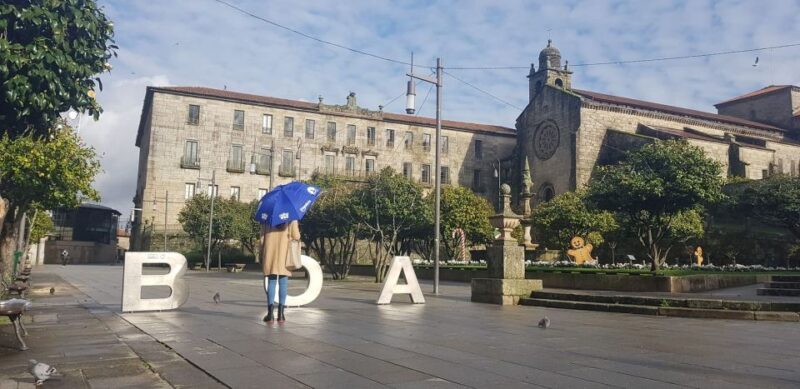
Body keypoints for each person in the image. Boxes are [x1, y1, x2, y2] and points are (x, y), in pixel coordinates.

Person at [257, 220, 300, 323]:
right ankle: (281, 315)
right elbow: (296, 236)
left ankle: (270, 315)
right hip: (284, 253)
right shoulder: (291, 218)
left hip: (270, 252)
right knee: (283, 283)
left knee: (271, 282)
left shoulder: (267, 218)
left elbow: (262, 238)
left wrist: (261, 252)